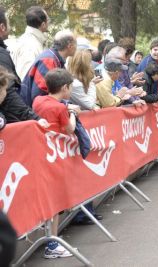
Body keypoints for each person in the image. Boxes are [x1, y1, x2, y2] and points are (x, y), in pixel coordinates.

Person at [32, 68, 79, 259]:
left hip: (39, 155)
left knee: (49, 201)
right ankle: (52, 244)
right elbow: (70, 129)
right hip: (53, 158)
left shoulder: (37, 100)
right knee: (55, 202)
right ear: (65, 87)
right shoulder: (60, 108)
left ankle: (51, 240)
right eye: (71, 88)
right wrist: (73, 113)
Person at [21, 29, 77, 106]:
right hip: (33, 112)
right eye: (76, 44)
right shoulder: (48, 60)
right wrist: (66, 105)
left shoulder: (54, 58)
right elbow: (40, 94)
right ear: (70, 46)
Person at [11, 6, 49, 80]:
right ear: (43, 24)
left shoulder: (34, 40)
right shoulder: (28, 46)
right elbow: (26, 78)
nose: (49, 22)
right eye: (48, 20)